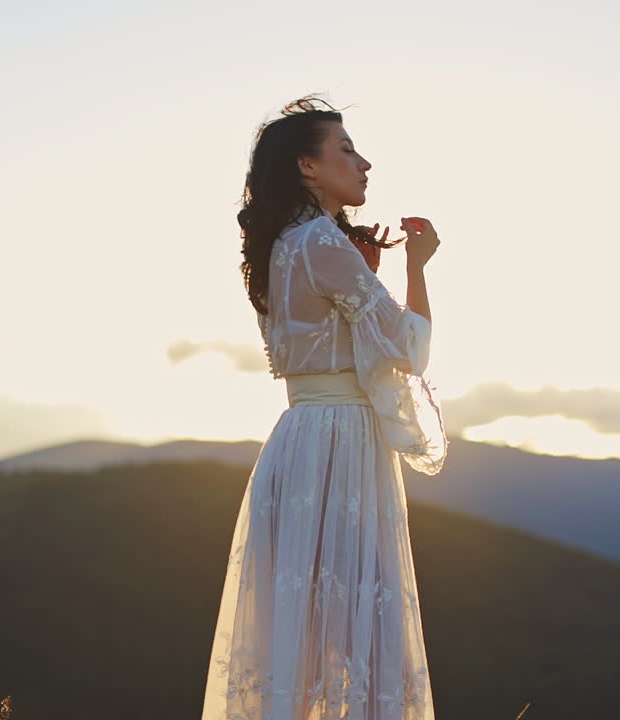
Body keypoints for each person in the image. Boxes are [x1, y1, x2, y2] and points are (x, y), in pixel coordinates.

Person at [201, 95, 448, 720]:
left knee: (302, 643)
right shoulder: (321, 242)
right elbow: (406, 347)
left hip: (297, 441)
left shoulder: (279, 247)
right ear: (307, 168)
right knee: (367, 635)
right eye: (346, 149)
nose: (364, 163)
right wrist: (417, 267)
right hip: (343, 443)